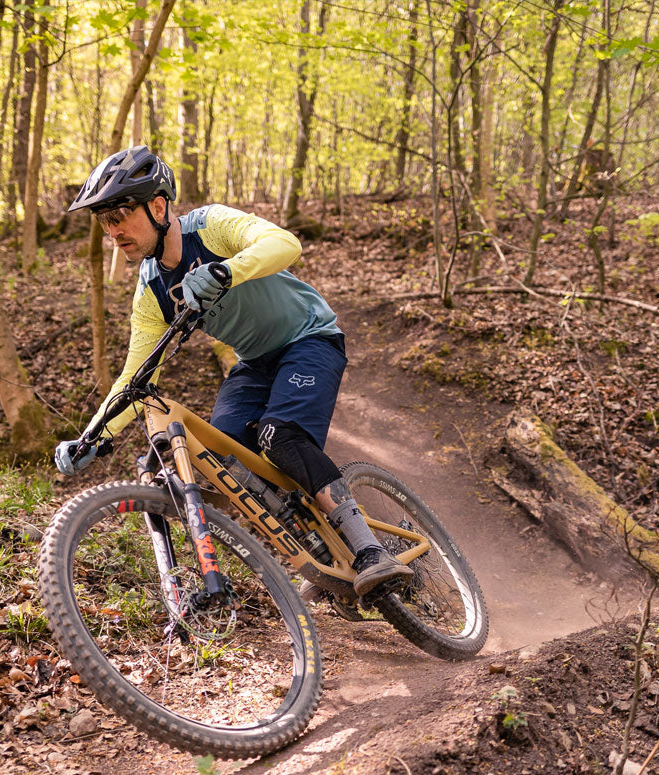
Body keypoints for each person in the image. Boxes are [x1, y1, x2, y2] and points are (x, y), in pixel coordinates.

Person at [53, 146, 412, 598]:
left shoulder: (211, 225)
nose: (113, 230)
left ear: (158, 206)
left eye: (121, 213)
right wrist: (93, 435)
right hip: (253, 362)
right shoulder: (152, 293)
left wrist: (226, 271)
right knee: (215, 452)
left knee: (279, 436)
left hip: (309, 338)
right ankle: (320, 546)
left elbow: (286, 244)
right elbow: (136, 377)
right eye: (104, 221)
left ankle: (369, 551)